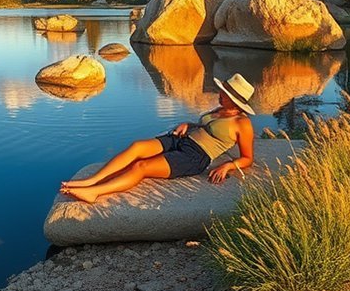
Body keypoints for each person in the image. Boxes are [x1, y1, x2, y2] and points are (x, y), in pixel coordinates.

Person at [60, 73, 256, 203]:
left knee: (141, 167)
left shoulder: (242, 123)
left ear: (235, 99)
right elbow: (207, 126)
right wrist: (189, 124)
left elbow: (247, 158)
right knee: (137, 147)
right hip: (182, 139)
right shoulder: (221, 109)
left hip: (196, 156)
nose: (219, 93)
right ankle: (92, 181)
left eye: (224, 92)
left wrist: (227, 166)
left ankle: (96, 192)